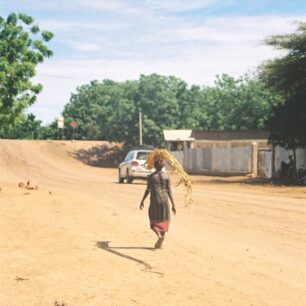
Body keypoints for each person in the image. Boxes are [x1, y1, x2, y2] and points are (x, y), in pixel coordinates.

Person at [140, 159, 176, 249]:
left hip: (155, 200)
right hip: (165, 201)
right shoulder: (166, 177)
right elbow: (169, 191)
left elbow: (148, 190)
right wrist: (173, 204)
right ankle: (162, 240)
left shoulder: (152, 177)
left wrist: (142, 200)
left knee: (153, 219)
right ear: (163, 166)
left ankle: (159, 235)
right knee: (163, 219)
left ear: (154, 166)